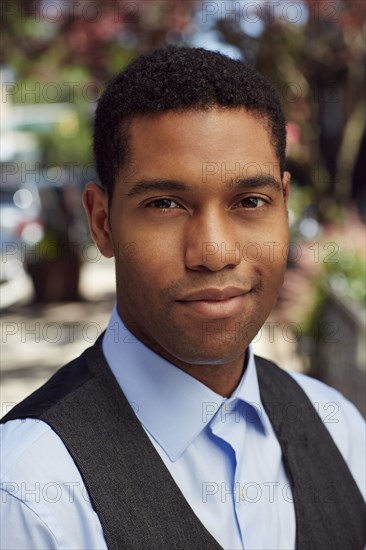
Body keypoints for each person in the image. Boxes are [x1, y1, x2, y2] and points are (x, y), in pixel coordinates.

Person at [0, 46, 365, 550]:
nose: (214, 252)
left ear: (283, 204)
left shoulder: (340, 429)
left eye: (251, 201)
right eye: (165, 204)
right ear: (102, 222)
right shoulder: (30, 495)